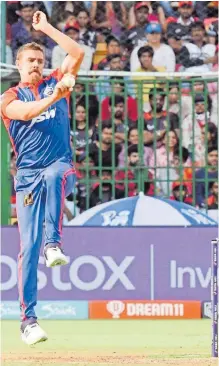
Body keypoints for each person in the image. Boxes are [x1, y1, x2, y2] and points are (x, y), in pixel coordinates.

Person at [1, 11, 84, 345]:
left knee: (56, 174)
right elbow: (29, 113)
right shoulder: (9, 98)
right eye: (30, 61)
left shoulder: (54, 79)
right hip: (27, 178)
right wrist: (59, 95)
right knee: (27, 248)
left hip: (59, 168)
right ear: (19, 66)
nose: (36, 65)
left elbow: (77, 53)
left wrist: (46, 28)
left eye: (40, 60)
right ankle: (29, 321)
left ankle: (55, 244)